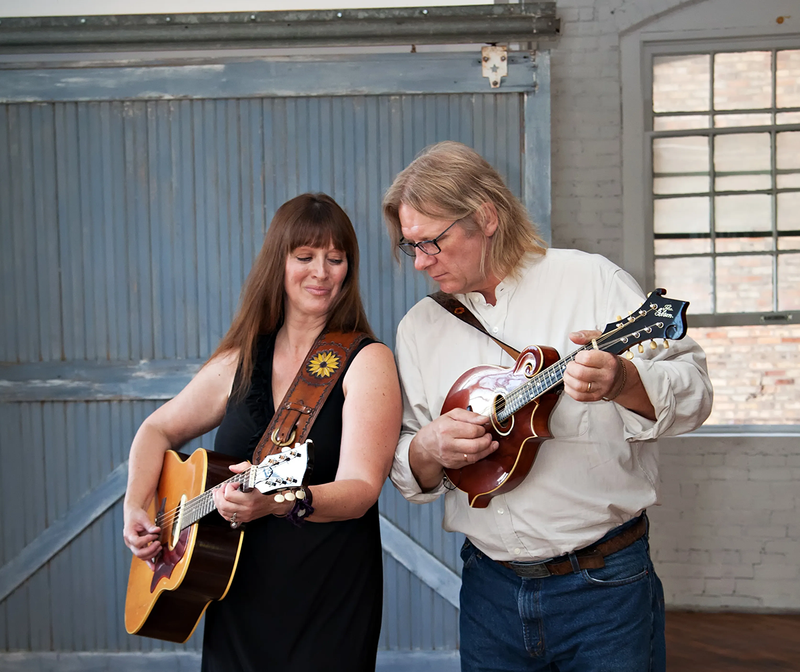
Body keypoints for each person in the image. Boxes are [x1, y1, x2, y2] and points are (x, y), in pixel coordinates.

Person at [383, 141, 713, 672]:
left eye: (433, 243)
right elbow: (404, 458)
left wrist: (623, 379)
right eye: (411, 246)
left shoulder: (590, 281)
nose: (421, 263)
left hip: (604, 589)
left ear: (486, 217)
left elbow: (694, 391)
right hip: (487, 589)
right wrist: (427, 446)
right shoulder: (419, 328)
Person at [123, 193, 402, 672]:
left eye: (335, 259)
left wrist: (277, 502)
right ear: (279, 261)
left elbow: (361, 489)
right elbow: (156, 429)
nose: (321, 272)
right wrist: (136, 505)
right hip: (235, 591)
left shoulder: (366, 360)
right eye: (305, 257)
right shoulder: (241, 359)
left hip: (326, 597)